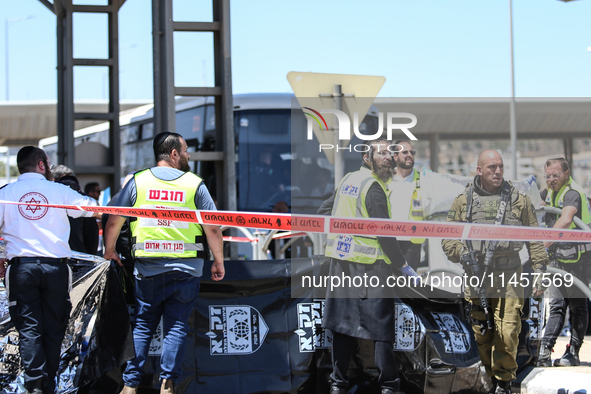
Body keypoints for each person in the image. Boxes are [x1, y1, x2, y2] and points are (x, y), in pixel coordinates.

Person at [103, 132, 224, 394]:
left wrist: (109, 250)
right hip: (186, 269)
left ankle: (130, 384)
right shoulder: (195, 185)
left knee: (143, 324)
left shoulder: (138, 182)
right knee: (176, 326)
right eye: (186, 150)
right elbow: (212, 229)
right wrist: (218, 261)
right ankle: (167, 385)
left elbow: (114, 219)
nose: (189, 154)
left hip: (148, 269)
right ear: (174, 154)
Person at [441, 150, 549, 394]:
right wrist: (462, 254)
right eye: (491, 167)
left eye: (500, 166)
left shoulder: (519, 200)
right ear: (479, 170)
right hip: (476, 274)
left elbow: (534, 238)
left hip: (509, 272)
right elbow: (448, 239)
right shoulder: (463, 201)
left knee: (508, 328)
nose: (497, 171)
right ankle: (490, 376)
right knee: (481, 331)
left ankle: (503, 382)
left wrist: (540, 270)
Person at [323, 138, 419, 394]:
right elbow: (385, 235)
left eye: (391, 153)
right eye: (383, 154)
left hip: (341, 265)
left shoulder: (347, 180)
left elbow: (323, 213)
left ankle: (338, 385)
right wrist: (403, 265)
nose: (389, 157)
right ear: (368, 158)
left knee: (342, 327)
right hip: (370, 268)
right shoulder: (373, 187)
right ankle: (389, 386)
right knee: (381, 330)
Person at [0, 146, 98, 394]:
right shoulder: (59, 191)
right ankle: (49, 385)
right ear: (42, 165)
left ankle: (35, 386)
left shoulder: (6, 194)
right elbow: (93, 208)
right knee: (54, 327)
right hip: (55, 269)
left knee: (29, 329)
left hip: (21, 270)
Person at [536, 155, 591, 367]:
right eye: (547, 176)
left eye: (555, 175)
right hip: (559, 259)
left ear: (566, 174)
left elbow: (566, 219)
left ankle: (573, 352)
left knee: (578, 306)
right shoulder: (549, 192)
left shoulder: (572, 193)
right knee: (557, 304)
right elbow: (538, 207)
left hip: (579, 260)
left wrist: (542, 246)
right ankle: (544, 351)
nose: (551, 179)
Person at [389, 140, 425, 270]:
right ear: (395, 157)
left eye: (412, 152)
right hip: (389, 238)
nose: (409, 155)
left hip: (412, 241)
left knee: (408, 285)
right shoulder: (385, 179)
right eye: (405, 152)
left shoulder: (423, 180)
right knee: (389, 282)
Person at [58, 175, 100, 255]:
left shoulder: (54, 199)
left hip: (57, 253)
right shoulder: (84, 201)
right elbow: (91, 234)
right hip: (79, 254)